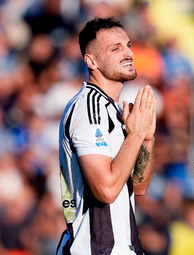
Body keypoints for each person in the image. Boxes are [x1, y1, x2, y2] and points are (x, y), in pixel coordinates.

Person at [56, 16, 157, 255]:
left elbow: (139, 186)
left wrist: (146, 139)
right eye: (116, 48)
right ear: (91, 61)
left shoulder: (112, 110)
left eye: (128, 45)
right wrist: (135, 134)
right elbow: (106, 190)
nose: (128, 53)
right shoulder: (87, 109)